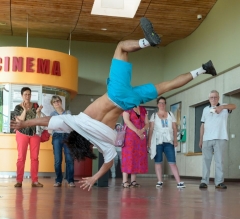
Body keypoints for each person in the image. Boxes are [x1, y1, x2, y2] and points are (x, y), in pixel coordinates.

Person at [11, 17, 217, 191]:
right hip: (116, 92)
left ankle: (204, 69)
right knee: (121, 47)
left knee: (166, 86)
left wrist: (94, 178)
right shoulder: (73, 123)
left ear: (87, 145)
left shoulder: (104, 142)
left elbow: (109, 162)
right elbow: (48, 119)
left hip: (128, 101)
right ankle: (147, 42)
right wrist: (23, 125)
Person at [199, 90, 236, 189]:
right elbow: (202, 125)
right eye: (211, 97)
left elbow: (234, 106)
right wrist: (200, 139)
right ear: (209, 99)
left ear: (218, 98)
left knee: (219, 161)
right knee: (206, 161)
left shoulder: (224, 107)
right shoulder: (205, 110)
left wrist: (222, 107)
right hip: (207, 139)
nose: (213, 99)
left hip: (220, 137)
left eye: (215, 97)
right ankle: (204, 181)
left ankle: (219, 182)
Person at [148, 96, 185, 188]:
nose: (162, 105)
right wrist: (149, 142)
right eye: (160, 103)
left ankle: (179, 182)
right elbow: (151, 129)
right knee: (158, 161)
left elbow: (174, 128)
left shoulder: (170, 114)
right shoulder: (154, 116)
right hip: (158, 141)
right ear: (157, 104)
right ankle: (160, 181)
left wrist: (175, 140)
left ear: (165, 104)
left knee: (172, 162)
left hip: (169, 141)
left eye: (163, 103)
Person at [13, 87, 44, 188]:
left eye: (29, 94)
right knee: (21, 157)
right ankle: (19, 180)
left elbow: (39, 119)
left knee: (35, 158)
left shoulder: (35, 105)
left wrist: (38, 112)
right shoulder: (17, 107)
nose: (27, 96)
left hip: (34, 133)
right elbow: (20, 121)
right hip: (22, 133)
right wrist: (25, 110)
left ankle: (35, 181)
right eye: (25, 94)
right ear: (22, 96)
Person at [50, 95, 75, 187]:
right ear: (52, 104)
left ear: (61, 102)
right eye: (54, 102)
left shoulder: (68, 112)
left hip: (67, 136)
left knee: (69, 159)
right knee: (58, 160)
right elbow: (52, 126)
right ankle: (58, 180)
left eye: (58, 101)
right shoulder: (52, 114)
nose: (57, 103)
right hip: (56, 136)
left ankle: (70, 180)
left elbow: (70, 125)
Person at [121, 106, 149, 188]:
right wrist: (137, 131)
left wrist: (142, 130)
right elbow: (126, 121)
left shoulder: (143, 109)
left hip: (140, 137)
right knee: (128, 157)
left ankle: (133, 181)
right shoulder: (127, 108)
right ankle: (125, 181)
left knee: (136, 157)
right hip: (129, 137)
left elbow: (147, 123)